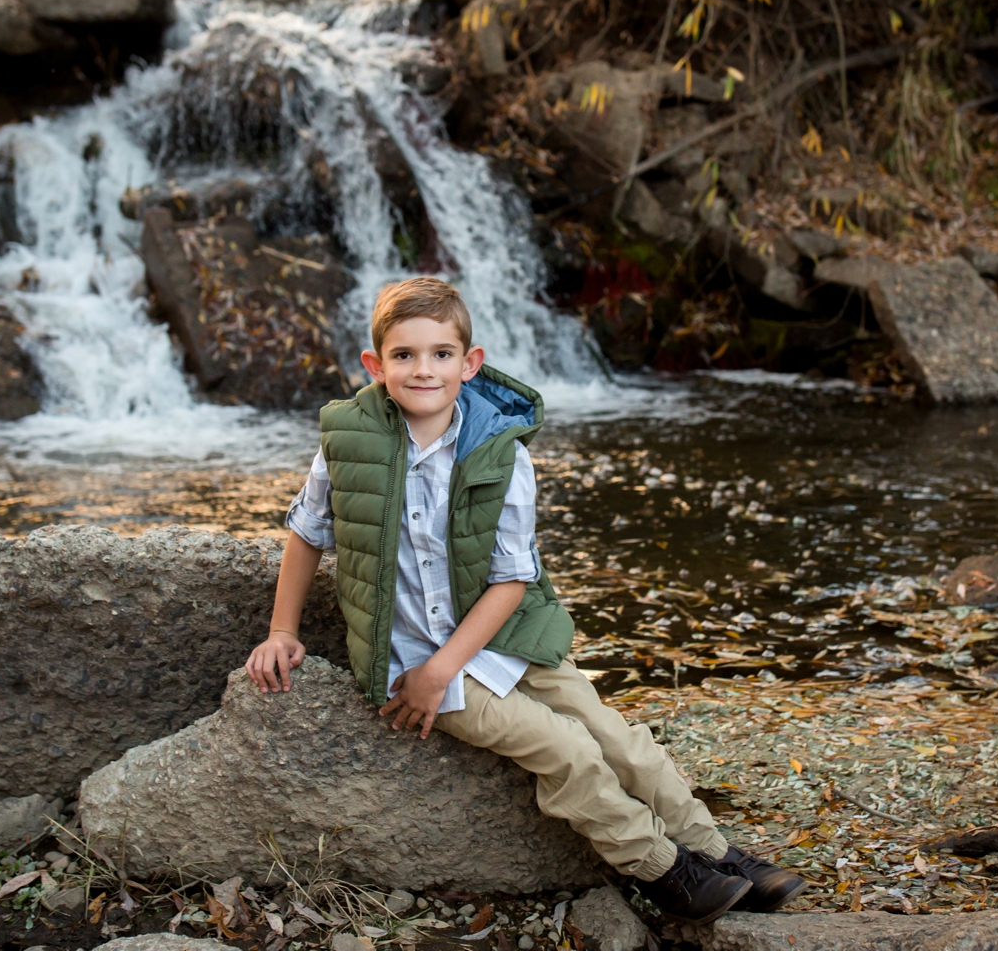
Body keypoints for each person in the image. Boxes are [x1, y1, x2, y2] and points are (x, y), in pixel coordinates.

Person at [243, 278, 805, 922]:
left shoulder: (501, 452)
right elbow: (307, 529)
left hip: (505, 634)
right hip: (417, 664)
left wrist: (449, 662)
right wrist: (284, 629)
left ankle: (716, 851)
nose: (423, 369)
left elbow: (512, 577)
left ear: (470, 362)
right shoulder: (347, 442)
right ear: (375, 365)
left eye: (441, 354)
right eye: (404, 355)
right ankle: (662, 869)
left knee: (618, 739)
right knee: (566, 750)